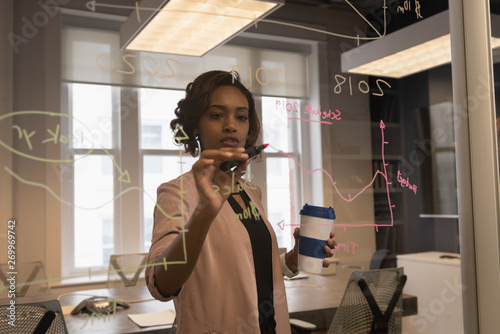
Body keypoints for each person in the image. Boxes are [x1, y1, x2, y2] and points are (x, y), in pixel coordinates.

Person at [145, 70, 336, 334]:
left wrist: (292, 259)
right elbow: (161, 284)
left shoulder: (250, 192)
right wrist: (204, 210)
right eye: (216, 115)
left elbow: (249, 276)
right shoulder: (176, 193)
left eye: (241, 117)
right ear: (195, 126)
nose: (231, 125)